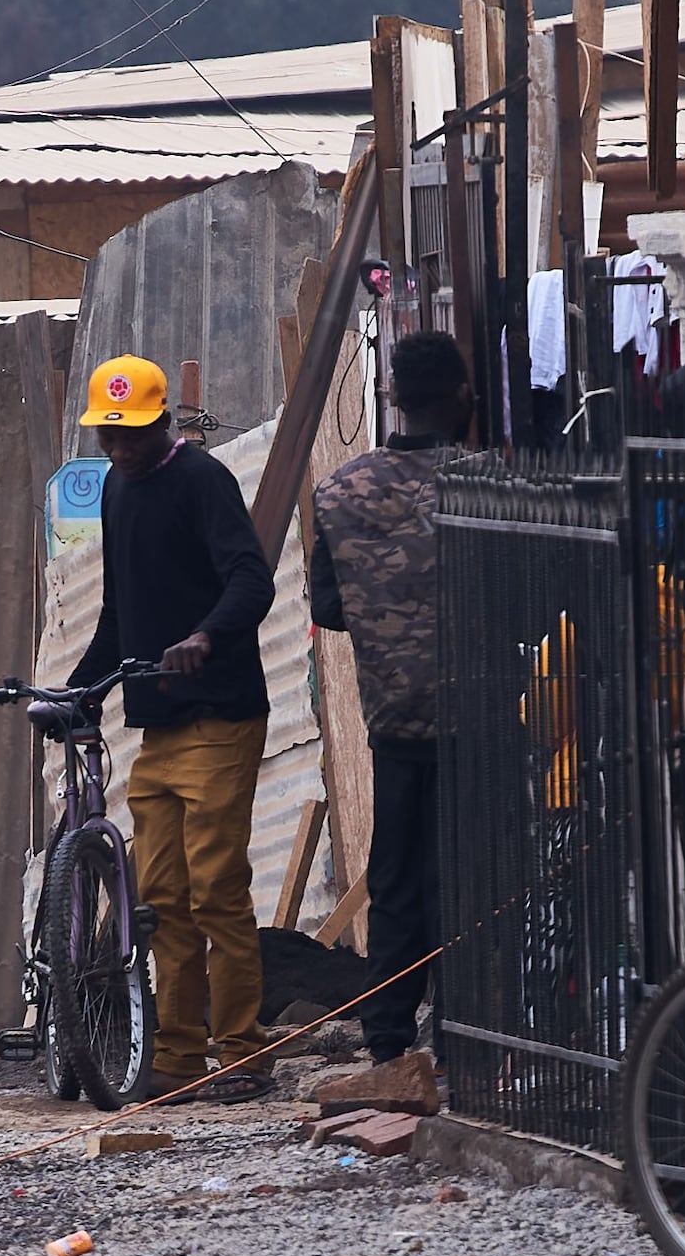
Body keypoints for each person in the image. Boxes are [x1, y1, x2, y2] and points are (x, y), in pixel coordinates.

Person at [75, 352, 279, 1099]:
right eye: (109, 436)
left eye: (131, 435)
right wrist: (82, 690)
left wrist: (205, 637)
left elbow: (252, 580)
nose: (120, 449)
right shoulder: (115, 493)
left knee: (217, 888)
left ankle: (246, 1053)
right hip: (156, 727)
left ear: (163, 422)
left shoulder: (203, 482)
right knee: (161, 900)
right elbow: (118, 610)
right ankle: (180, 1057)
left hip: (220, 715)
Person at [307, 328, 478, 1100]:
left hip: (393, 713)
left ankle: (387, 1034)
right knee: (476, 869)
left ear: (393, 397)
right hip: (481, 713)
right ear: (463, 397)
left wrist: (388, 617)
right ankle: (472, 1028)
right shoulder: (488, 481)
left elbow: (326, 606)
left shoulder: (339, 491)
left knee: (397, 873)